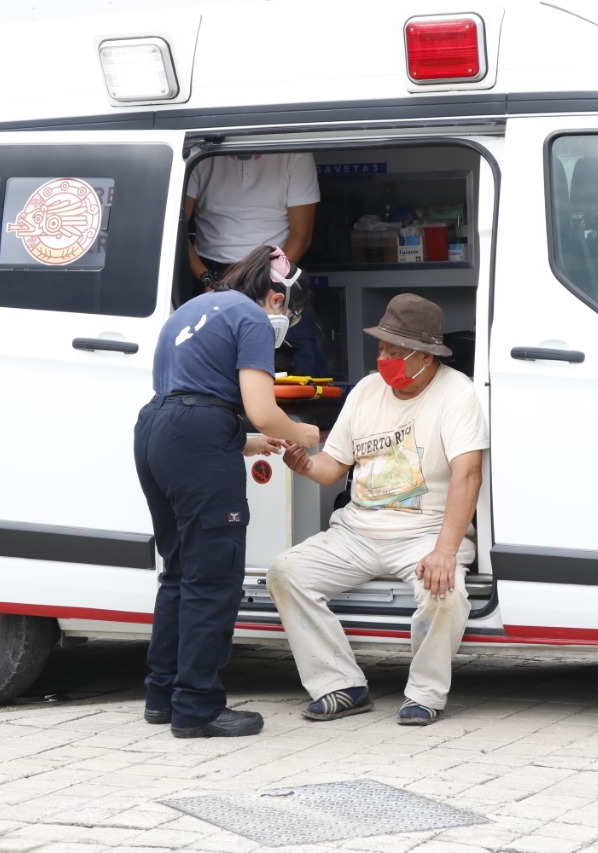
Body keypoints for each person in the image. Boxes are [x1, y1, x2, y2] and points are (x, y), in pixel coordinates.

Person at [267, 294, 488, 725]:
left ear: (425, 357)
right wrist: (307, 464)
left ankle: (424, 693)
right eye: (381, 348)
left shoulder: (457, 394)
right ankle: (339, 683)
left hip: (426, 532)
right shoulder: (368, 390)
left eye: (393, 351)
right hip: (357, 532)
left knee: (444, 593)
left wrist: (444, 551)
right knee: (285, 571)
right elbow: (334, 469)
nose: (382, 358)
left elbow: (469, 476)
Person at [135, 245, 319, 738]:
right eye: (290, 313)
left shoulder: (193, 308)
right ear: (276, 298)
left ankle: (163, 695)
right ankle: (197, 708)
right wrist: (302, 434)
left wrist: (243, 441)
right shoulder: (254, 320)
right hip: (196, 435)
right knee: (213, 578)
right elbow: (261, 407)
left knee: (178, 572)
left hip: (154, 429)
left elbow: (187, 395)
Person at [185, 152, 328, 376]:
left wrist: (275, 280)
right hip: (215, 274)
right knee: (218, 362)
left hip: (274, 272)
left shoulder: (294, 152)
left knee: (300, 364)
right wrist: (207, 279)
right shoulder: (200, 151)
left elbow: (301, 234)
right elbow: (174, 227)